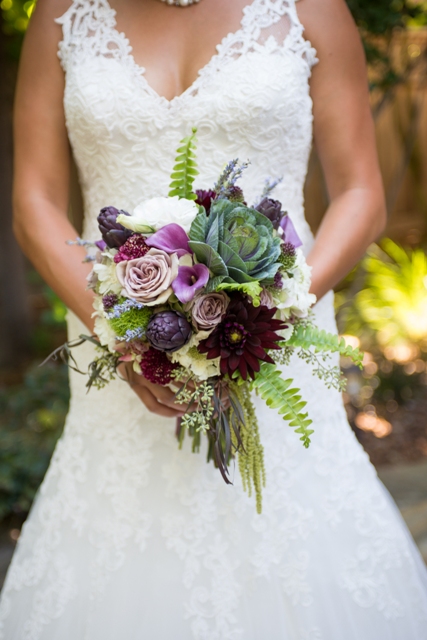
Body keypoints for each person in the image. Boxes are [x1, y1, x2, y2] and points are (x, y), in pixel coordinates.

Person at [1, 0, 427, 638]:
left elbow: (361, 192)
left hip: (277, 338)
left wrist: (273, 312)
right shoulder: (62, 13)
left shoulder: (312, 8)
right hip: (112, 334)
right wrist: (120, 334)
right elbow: (33, 201)